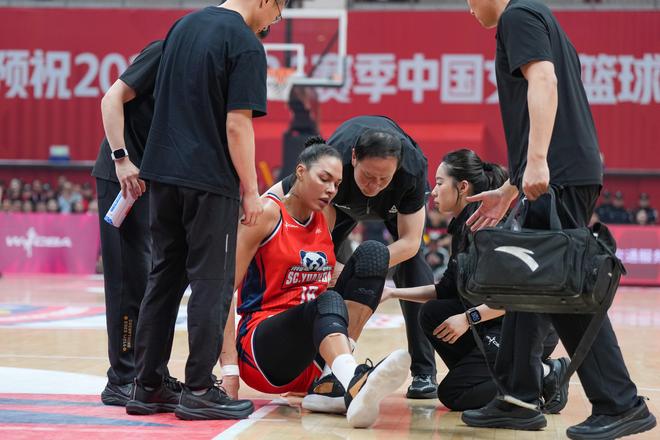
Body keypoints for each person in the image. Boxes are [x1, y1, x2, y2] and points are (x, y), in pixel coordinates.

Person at [461, 1, 656, 438]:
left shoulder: (517, 16)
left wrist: (536, 162)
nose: (467, 7)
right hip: (561, 172)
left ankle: (620, 403)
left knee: (561, 284)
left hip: (559, 174)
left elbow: (544, 80)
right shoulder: (535, 16)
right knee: (527, 279)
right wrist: (511, 187)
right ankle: (517, 397)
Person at [127, 0, 284, 420]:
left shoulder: (182, 26)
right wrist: (251, 190)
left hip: (163, 173)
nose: (276, 20)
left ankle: (147, 386)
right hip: (209, 180)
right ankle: (198, 388)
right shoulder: (245, 43)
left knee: (163, 279)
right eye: (279, 10)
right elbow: (237, 124)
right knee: (212, 284)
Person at [226, 138, 409, 428]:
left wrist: (367, 284)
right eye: (324, 179)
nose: (331, 189)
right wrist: (229, 372)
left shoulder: (326, 217)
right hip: (262, 351)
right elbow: (222, 293)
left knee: (374, 254)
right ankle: (353, 379)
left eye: (336, 184)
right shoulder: (265, 214)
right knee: (327, 301)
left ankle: (330, 384)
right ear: (300, 172)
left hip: (311, 350)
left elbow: (329, 274)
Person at [381, 149, 566, 412]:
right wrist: (391, 293)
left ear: (462, 187)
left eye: (440, 183)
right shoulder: (462, 227)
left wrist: (468, 319)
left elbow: (515, 299)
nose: (433, 192)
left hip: (525, 328)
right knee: (432, 314)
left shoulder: (490, 230)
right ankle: (493, 376)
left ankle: (544, 372)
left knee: (455, 394)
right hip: (492, 324)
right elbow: (444, 289)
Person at [272, 115, 439, 399]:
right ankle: (314, 368)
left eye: (383, 178)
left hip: (392, 207)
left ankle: (424, 371)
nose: (374, 185)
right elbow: (316, 238)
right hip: (341, 204)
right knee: (314, 268)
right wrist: (336, 268)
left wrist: (363, 271)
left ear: (397, 168)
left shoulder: (412, 169)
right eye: (368, 176)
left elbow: (410, 243)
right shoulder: (333, 163)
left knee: (413, 267)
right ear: (353, 159)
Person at [91, 40, 185, 407]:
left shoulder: (200, 70)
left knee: (153, 281)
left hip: (153, 184)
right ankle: (122, 377)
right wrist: (121, 158)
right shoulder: (165, 51)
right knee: (128, 281)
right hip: (123, 179)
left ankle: (149, 374)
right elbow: (110, 99)